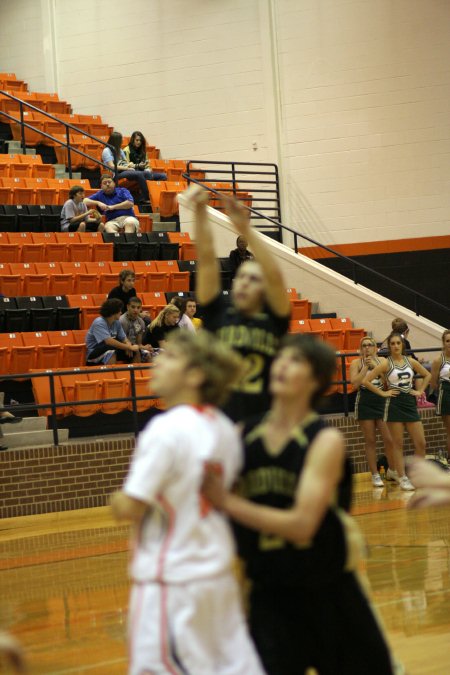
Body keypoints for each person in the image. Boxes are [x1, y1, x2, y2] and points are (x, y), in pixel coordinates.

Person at [202, 334, 396, 675]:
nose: (281, 366)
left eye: (294, 361)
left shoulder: (324, 440)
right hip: (269, 593)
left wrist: (225, 502)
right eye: (280, 359)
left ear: (315, 381)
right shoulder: (241, 434)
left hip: (327, 589)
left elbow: (303, 523)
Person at [110, 331, 265, 675]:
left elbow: (131, 505)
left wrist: (117, 501)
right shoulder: (225, 428)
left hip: (172, 581)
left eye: (169, 357)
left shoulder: (165, 429)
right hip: (217, 577)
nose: (157, 362)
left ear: (195, 375)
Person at [181, 185, 290, 421]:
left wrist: (246, 230)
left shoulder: (273, 316)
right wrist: (200, 211)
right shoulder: (218, 310)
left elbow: (275, 275)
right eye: (241, 277)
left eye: (253, 279)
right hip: (220, 420)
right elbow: (207, 258)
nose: (244, 282)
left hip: (263, 421)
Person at [362, 331, 431, 491]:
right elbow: (366, 381)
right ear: (390, 346)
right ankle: (403, 477)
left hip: (409, 403)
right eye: (392, 344)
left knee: (421, 443)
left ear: (403, 345)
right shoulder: (386, 363)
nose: (395, 346)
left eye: (398, 343)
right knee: (398, 445)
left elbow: (427, 374)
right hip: (394, 404)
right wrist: (383, 393)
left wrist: (420, 391)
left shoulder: (411, 361)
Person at [350, 337, 395, 487]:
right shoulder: (356, 363)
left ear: (375, 348)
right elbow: (355, 385)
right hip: (365, 402)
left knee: (389, 439)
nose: (367, 348)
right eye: (364, 346)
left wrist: (376, 366)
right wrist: (365, 368)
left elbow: (388, 383)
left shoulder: (382, 361)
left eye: (370, 345)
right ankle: (375, 474)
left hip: (381, 400)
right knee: (370, 440)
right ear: (361, 348)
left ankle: (392, 470)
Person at [102, 131, 165, 205]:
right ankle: (145, 198)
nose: (122, 141)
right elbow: (112, 166)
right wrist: (127, 168)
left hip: (125, 171)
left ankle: (153, 197)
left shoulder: (120, 150)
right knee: (139, 174)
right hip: (116, 174)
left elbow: (126, 163)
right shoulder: (107, 151)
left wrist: (135, 165)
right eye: (120, 139)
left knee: (147, 173)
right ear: (115, 141)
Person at [85, 298, 140, 365]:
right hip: (93, 354)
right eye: (119, 310)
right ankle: (112, 374)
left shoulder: (116, 322)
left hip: (108, 348)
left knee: (134, 350)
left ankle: (135, 373)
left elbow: (124, 338)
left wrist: (129, 345)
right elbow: (109, 341)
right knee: (111, 350)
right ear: (113, 312)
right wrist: (128, 347)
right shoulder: (99, 322)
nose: (121, 312)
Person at [430, 329, 450, 456]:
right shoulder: (439, 360)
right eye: (448, 341)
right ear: (443, 343)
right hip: (446, 393)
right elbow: (433, 382)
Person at [119, 297, 153, 362]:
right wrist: (131, 347)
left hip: (136, 347)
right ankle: (137, 371)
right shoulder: (122, 321)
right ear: (128, 307)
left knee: (150, 353)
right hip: (124, 347)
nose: (136, 310)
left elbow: (139, 343)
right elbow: (122, 340)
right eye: (133, 307)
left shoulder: (141, 322)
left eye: (138, 308)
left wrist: (145, 347)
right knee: (136, 352)